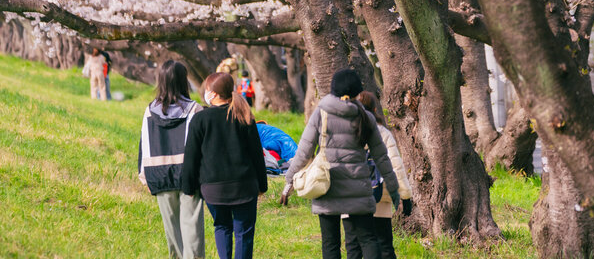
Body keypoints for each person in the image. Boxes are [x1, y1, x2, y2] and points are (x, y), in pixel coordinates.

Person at [282, 69, 400, 259]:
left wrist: (289, 182)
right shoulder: (365, 117)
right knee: (368, 239)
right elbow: (381, 157)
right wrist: (394, 189)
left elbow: (304, 152)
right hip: (358, 188)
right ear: (357, 93)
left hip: (327, 186)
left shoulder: (321, 114)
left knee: (330, 243)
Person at [182, 72, 267, 259]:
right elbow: (256, 154)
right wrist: (262, 185)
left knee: (222, 227)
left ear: (212, 93)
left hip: (213, 189)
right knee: (244, 232)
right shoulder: (244, 116)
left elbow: (191, 156)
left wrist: (188, 186)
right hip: (245, 187)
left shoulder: (200, 119)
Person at [138, 60, 205, 259]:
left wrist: (145, 176)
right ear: (184, 81)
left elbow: (145, 144)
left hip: (159, 174)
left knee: (172, 231)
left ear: (161, 81)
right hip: (189, 175)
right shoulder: (195, 110)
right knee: (192, 228)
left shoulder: (150, 111)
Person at [345, 91, 413, 259]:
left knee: (353, 247)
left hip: (350, 196)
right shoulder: (383, 133)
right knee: (384, 245)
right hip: (379, 196)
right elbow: (395, 166)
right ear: (375, 110)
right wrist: (405, 196)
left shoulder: (343, 132)